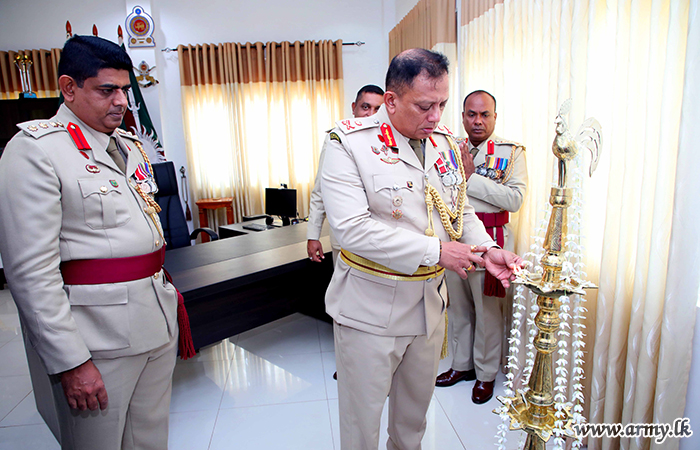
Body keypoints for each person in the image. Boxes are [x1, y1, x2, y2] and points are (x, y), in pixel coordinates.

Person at [321, 49, 523, 450]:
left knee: (412, 425)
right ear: (392, 100)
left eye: (443, 105)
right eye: (425, 106)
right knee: (361, 429)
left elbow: (459, 209)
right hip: (370, 311)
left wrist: (486, 248)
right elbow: (352, 229)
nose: (436, 116)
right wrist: (437, 251)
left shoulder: (443, 142)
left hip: (428, 308)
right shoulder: (348, 143)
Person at [0, 35, 181, 449]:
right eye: (107, 90)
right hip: (97, 340)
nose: (121, 101)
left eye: (125, 89)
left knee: (150, 440)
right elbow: (30, 274)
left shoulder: (129, 145)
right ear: (69, 87)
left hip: (155, 319)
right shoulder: (36, 152)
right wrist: (71, 361)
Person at [435, 90, 527, 405]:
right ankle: (462, 364)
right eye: (471, 114)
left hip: (492, 238)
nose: (477, 121)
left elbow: (515, 199)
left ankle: (486, 373)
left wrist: (471, 178)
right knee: (458, 307)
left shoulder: (511, 152)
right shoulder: (449, 148)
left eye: (484, 114)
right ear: (463, 117)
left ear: (494, 117)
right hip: (456, 240)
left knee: (488, 312)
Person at [307, 84, 384, 263]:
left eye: (377, 109)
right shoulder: (337, 139)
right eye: (365, 107)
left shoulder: (389, 141)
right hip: (346, 241)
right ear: (354, 108)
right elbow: (321, 189)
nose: (371, 114)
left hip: (380, 240)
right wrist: (313, 235)